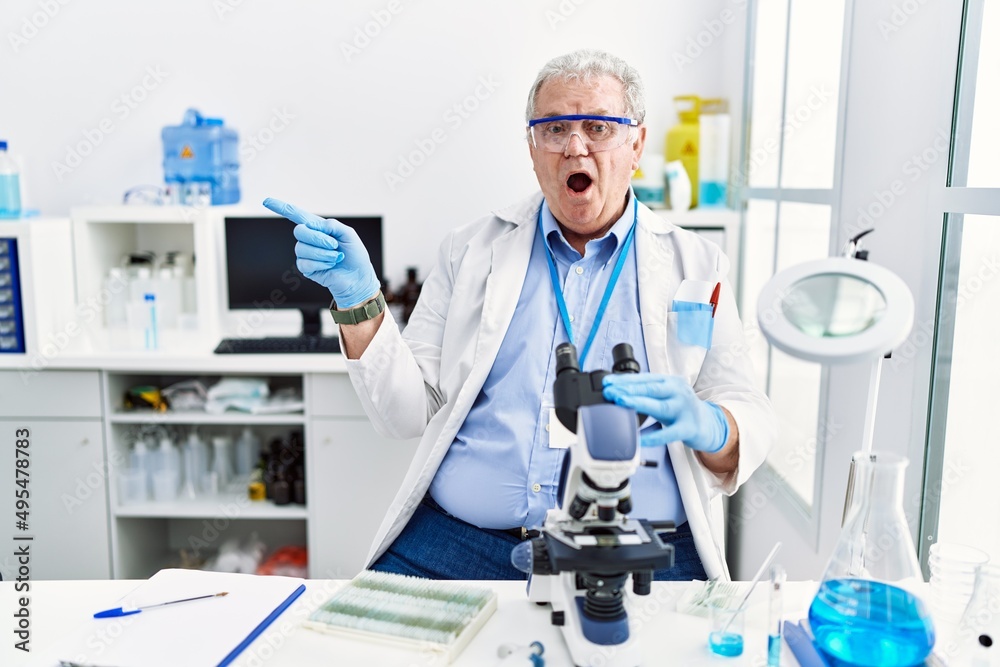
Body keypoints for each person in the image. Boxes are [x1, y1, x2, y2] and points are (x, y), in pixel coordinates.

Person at [264, 49, 776, 581]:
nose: (575, 147)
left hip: (637, 548)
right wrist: (358, 298)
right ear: (532, 147)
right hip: (461, 543)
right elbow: (404, 413)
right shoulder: (470, 251)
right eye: (554, 129)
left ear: (636, 145)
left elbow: (746, 409)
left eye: (599, 127)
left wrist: (711, 426)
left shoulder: (698, 262)